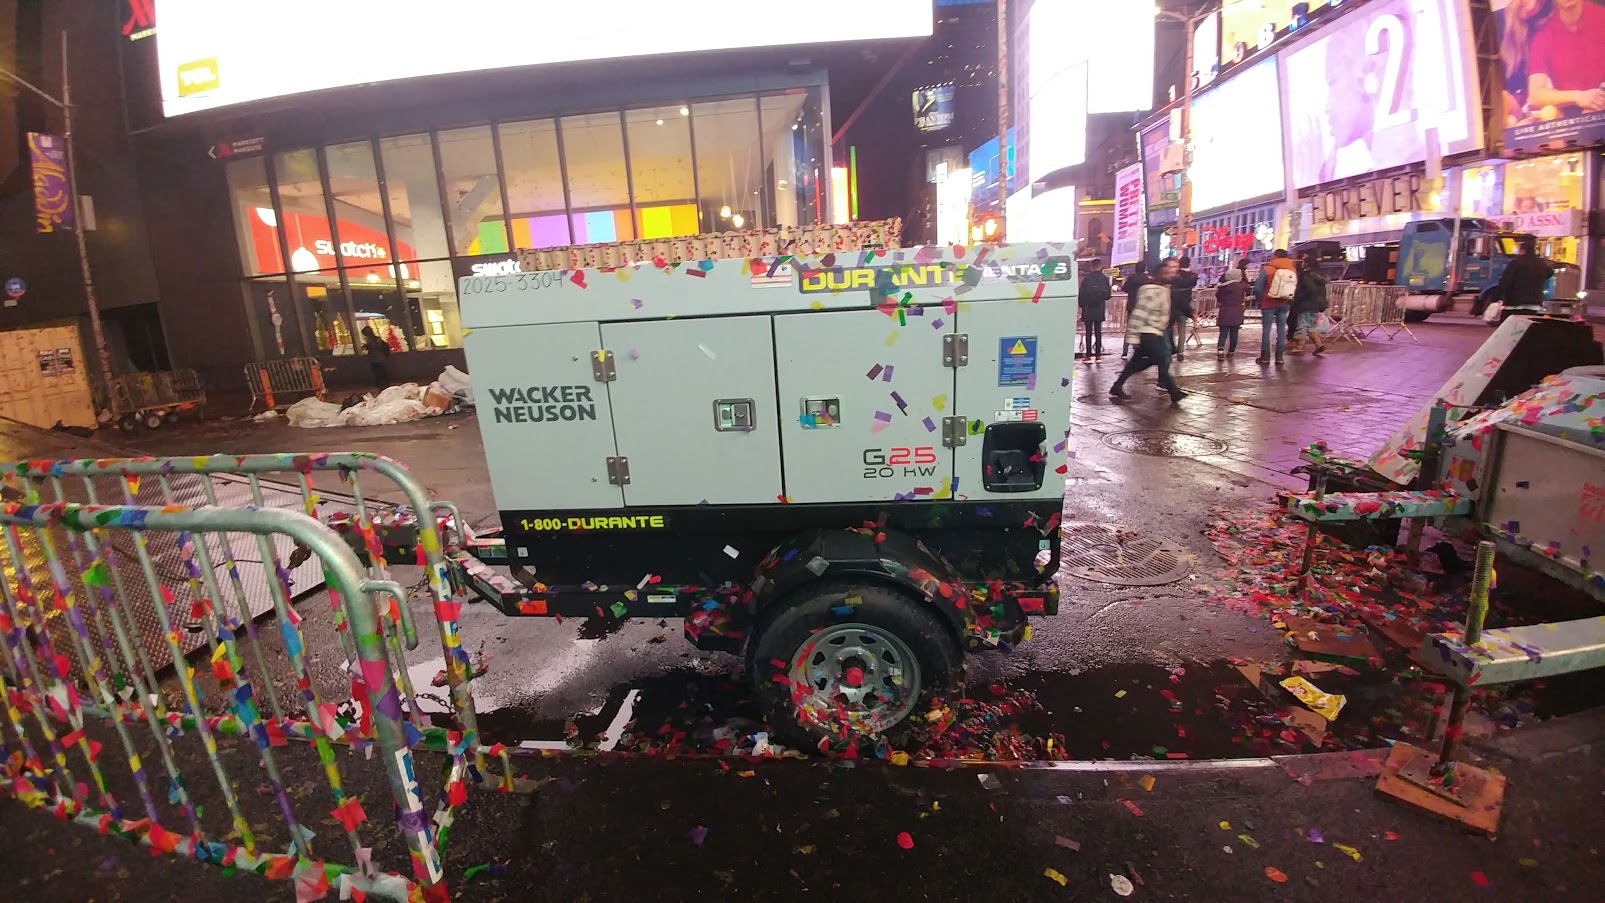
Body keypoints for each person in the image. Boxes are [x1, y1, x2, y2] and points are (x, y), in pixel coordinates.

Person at [1110, 258, 1186, 404]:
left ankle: (1117, 385)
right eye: (1170, 269)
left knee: (1137, 362)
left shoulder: (1164, 288)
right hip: (1149, 332)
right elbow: (1139, 314)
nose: (1173, 272)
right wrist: (1133, 337)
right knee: (1162, 359)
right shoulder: (1151, 291)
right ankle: (1173, 392)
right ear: (1161, 272)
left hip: (1156, 331)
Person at [1525, 0, 1605, 113]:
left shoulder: (1601, 18)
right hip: (1570, 117)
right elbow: (1536, 95)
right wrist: (1579, 97)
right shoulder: (1544, 35)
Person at [1494, 237, 1554, 321]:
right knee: (1528, 325)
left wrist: (1496, 297)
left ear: (1523, 250)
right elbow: (1550, 272)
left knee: (1510, 326)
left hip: (1514, 303)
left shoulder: (1516, 263)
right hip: (1534, 303)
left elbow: (1505, 281)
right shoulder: (1541, 264)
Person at [1256, 249, 1298, 366]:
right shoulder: (1292, 270)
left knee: (1266, 330)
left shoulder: (1268, 269)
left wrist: (1260, 299)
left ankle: (1265, 357)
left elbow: (1258, 287)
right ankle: (1279, 358)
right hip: (1284, 303)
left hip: (1268, 303)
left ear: (1275, 256)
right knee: (1281, 330)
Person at [1289, 253, 1329, 356]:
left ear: (1307, 264)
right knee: (1311, 324)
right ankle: (1319, 344)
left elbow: (1308, 288)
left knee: (1302, 324)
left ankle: (1299, 346)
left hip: (1306, 303)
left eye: (1303, 262)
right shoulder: (1321, 274)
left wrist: (1297, 297)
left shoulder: (1306, 275)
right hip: (1317, 304)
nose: (1302, 264)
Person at [1078, 258, 1113, 358]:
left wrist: (1082, 306)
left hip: (1088, 308)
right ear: (1100, 266)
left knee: (1088, 332)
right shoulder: (1104, 279)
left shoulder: (1087, 279)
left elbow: (1082, 294)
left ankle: (1088, 355)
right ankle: (1098, 355)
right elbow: (1108, 295)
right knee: (1098, 332)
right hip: (1099, 308)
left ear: (1092, 267)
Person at [1168, 256, 1199, 361]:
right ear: (1189, 263)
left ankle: (1170, 349)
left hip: (1173, 305)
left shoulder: (1174, 276)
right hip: (1185, 305)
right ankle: (1180, 352)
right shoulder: (1194, 276)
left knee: (1170, 329)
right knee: (1182, 329)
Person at [1120, 261, 1152, 359]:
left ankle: (1125, 351)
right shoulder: (1147, 279)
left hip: (1132, 305)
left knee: (1129, 328)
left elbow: (1124, 288)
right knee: (1143, 328)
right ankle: (1140, 350)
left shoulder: (1131, 278)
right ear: (1144, 268)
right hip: (1144, 306)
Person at [1215, 269, 1248, 359]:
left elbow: (1219, 298)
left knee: (1223, 334)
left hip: (1224, 312)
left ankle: (1220, 351)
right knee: (1234, 334)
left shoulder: (1222, 287)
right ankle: (1231, 352)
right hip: (1236, 312)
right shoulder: (1240, 286)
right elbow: (1247, 286)